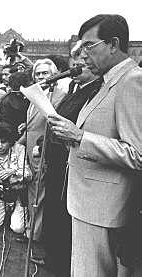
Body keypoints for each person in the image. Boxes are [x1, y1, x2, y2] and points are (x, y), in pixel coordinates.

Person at [48, 14, 142, 277]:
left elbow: (138, 154)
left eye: (89, 45)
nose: (83, 54)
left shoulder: (131, 81)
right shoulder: (107, 81)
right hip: (89, 203)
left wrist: (80, 138)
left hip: (103, 208)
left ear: (113, 44)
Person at [40, 39, 101, 275]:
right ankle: (53, 260)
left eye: (81, 65)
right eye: (73, 64)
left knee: (63, 222)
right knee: (54, 215)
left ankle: (60, 266)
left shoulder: (94, 93)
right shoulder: (76, 90)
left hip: (72, 167)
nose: (75, 69)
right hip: (57, 162)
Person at [17, 58, 67, 242]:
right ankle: (32, 230)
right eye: (37, 74)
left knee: (38, 195)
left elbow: (55, 124)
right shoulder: (37, 94)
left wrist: (40, 146)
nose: (40, 76)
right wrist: (26, 127)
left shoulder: (59, 95)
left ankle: (34, 235)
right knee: (33, 193)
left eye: (45, 73)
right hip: (31, 151)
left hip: (42, 152)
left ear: (54, 74)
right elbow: (36, 122)